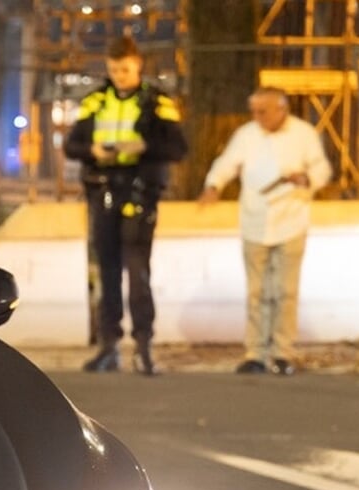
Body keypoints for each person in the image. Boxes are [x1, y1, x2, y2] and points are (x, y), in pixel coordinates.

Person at [64, 36, 187, 375]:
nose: (119, 76)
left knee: (138, 271)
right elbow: (72, 145)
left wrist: (142, 146)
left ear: (138, 66)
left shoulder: (157, 102)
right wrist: (92, 151)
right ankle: (109, 346)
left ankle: (143, 346)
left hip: (139, 192)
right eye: (114, 70)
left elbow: (178, 148)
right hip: (102, 190)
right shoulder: (95, 101)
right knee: (107, 271)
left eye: (125, 70)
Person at [198, 87, 332, 375]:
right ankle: (255, 352)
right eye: (254, 111)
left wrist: (306, 178)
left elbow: (321, 169)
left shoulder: (303, 134)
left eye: (263, 111)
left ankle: (283, 352)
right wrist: (214, 185)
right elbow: (226, 163)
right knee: (256, 292)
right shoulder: (247, 134)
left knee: (285, 291)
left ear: (281, 109)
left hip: (291, 220)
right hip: (254, 222)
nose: (257, 117)